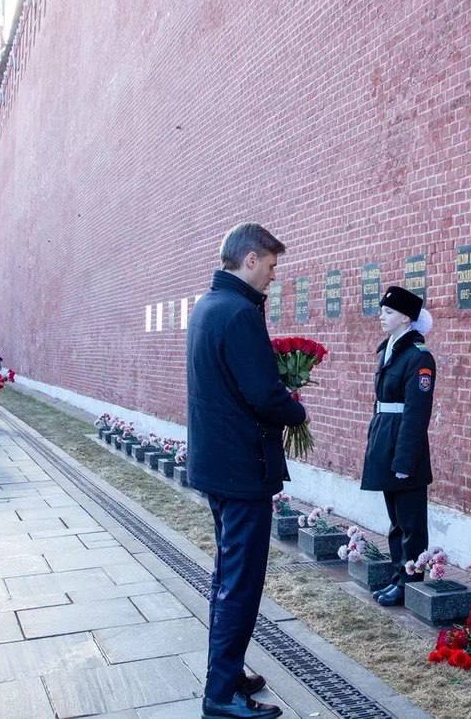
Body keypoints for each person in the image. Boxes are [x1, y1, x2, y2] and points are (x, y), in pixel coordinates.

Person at [186, 223, 306, 719]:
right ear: (251, 259)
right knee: (240, 579)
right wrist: (294, 409)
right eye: (272, 266)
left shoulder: (208, 306)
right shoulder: (238, 313)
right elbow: (261, 393)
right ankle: (220, 694)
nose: (274, 277)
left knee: (227, 574)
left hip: (219, 464)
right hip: (240, 468)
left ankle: (228, 669)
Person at [360, 286, 436, 607]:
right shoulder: (389, 350)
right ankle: (397, 576)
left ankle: (411, 582)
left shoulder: (419, 358)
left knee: (410, 522)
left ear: (406, 317)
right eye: (382, 310)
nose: (382, 316)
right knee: (395, 520)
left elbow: (417, 415)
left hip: (405, 447)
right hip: (385, 439)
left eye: (388, 312)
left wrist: (404, 460)